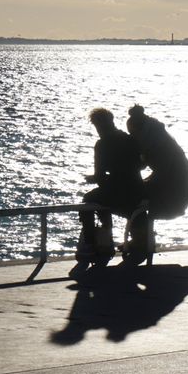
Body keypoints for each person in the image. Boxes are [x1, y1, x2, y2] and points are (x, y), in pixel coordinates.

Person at [75, 108, 146, 268]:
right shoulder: (130, 139)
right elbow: (140, 165)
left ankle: (92, 242)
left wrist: (100, 179)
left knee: (89, 200)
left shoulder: (102, 145)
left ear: (98, 125)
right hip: (136, 190)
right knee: (102, 196)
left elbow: (100, 176)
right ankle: (106, 238)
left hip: (119, 192)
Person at [126, 104, 188, 220]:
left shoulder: (159, 146)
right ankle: (141, 235)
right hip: (175, 187)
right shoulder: (157, 139)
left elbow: (163, 174)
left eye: (132, 133)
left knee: (130, 196)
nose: (132, 137)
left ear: (140, 130)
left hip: (175, 193)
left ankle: (141, 235)